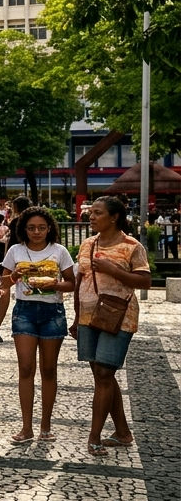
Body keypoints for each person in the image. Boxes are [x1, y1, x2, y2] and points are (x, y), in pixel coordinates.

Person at [76, 196, 151, 457]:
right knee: (101, 374)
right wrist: (75, 316)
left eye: (97, 213)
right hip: (88, 315)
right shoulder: (87, 244)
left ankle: (94, 436)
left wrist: (112, 269)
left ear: (114, 217)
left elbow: (145, 282)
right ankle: (122, 432)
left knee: (106, 373)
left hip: (119, 316)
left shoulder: (132, 246)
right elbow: (80, 280)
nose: (91, 217)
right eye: (91, 212)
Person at [1, 206, 76, 444]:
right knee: (25, 368)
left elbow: (72, 283)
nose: (37, 232)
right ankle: (26, 427)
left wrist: (54, 284)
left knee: (49, 369)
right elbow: (4, 282)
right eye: (32, 228)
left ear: (49, 229)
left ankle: (46, 426)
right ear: (24, 229)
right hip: (24, 311)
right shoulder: (15, 250)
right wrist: (15, 276)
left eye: (41, 228)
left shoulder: (59, 251)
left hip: (52, 311)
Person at [0, 196, 32, 341]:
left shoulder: (17, 221)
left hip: (15, 258)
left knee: (5, 288)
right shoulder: (34, 219)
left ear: (16, 207)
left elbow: (10, 242)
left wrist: (6, 258)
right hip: (30, 257)